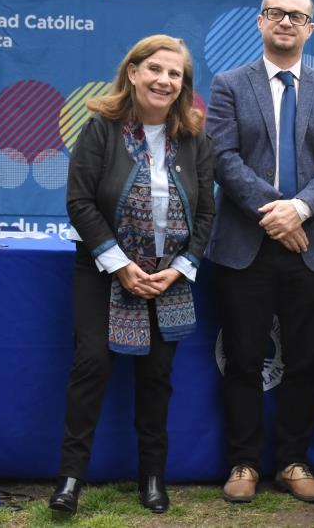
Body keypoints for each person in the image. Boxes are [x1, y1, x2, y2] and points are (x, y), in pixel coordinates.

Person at [49, 35, 215, 517]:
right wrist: (120, 264)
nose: (164, 80)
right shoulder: (102, 128)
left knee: (157, 375)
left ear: (183, 85)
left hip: (170, 279)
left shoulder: (194, 137)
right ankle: (70, 478)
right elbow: (79, 200)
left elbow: (206, 213)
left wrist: (179, 269)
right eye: (156, 70)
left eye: (175, 74)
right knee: (92, 366)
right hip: (103, 271)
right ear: (134, 72)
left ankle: (152, 477)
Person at [206, 0, 314, 504]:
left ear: (310, 28)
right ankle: (243, 462)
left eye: (297, 16)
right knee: (243, 359)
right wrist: (277, 212)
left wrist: (302, 210)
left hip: (310, 247)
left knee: (305, 360)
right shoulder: (228, 84)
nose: (286, 22)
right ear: (261, 22)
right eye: (276, 14)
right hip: (245, 244)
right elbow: (223, 158)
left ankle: (293, 461)